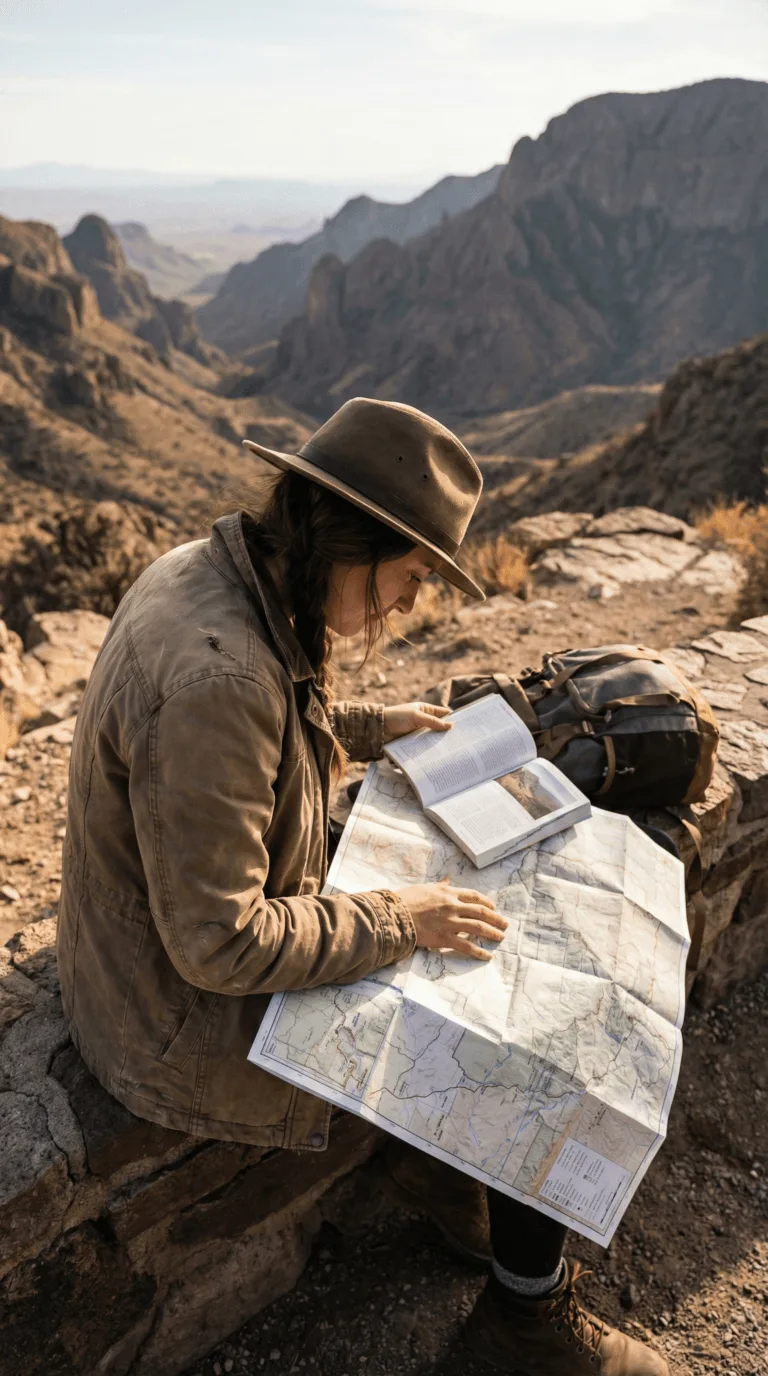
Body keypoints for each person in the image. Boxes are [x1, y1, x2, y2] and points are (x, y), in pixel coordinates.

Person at [57, 397, 667, 1376]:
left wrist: (373, 723)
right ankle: (526, 1316)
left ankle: (438, 1161)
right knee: (531, 1012)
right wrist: (400, 917)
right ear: (353, 538)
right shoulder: (221, 681)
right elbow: (220, 944)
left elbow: (258, 727)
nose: (407, 603)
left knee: (464, 924)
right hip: (177, 1023)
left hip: (144, 959)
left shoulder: (221, 575)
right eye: (415, 574)